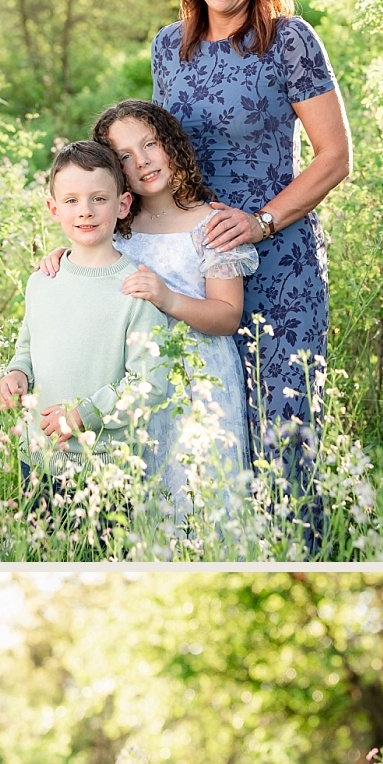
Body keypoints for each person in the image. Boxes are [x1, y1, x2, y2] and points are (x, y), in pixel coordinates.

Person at [148, 0, 351, 557]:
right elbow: (154, 166)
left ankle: (299, 559)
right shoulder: (167, 48)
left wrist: (262, 221)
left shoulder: (288, 40)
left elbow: (335, 157)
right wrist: (91, 241)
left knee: (284, 433)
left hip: (281, 267)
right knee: (204, 433)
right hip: (196, 270)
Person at [98, 102, 260, 541]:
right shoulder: (115, 228)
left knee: (203, 495)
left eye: (150, 144)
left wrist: (167, 297)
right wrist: (59, 259)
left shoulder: (210, 224)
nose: (143, 161)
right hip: (138, 380)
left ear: (170, 145)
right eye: (125, 157)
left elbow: (227, 316)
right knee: (148, 501)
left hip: (201, 380)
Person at [0, 143, 166, 525]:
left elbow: (149, 384)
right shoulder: (43, 279)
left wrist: (85, 413)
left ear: (122, 205)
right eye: (71, 200)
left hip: (105, 465)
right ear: (53, 209)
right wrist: (16, 374)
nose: (85, 210)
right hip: (37, 458)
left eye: (98, 199)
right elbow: (27, 347)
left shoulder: (136, 288)